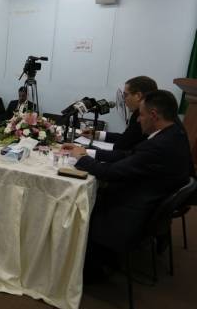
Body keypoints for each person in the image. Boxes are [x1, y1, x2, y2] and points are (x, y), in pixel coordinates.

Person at [69, 90, 193, 272]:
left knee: (79, 201)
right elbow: (130, 155)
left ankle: (88, 263)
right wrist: (88, 152)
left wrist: (82, 159)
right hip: (153, 199)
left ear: (154, 115)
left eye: (141, 115)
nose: (138, 120)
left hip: (134, 210)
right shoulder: (174, 133)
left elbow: (110, 173)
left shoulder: (158, 146)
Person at [83, 76, 158, 158]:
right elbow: (127, 138)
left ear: (138, 96)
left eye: (125, 95)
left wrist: (85, 152)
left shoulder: (144, 118)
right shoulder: (138, 114)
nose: (124, 100)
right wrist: (97, 134)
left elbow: (123, 148)